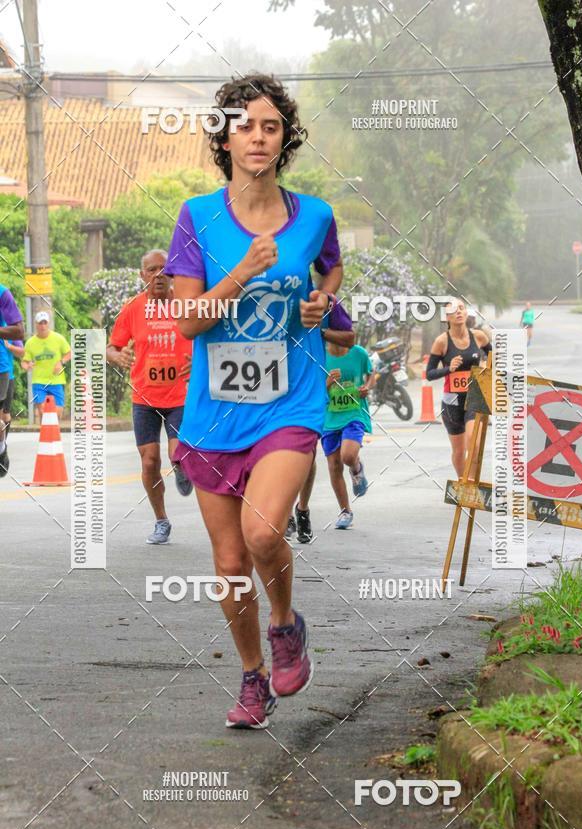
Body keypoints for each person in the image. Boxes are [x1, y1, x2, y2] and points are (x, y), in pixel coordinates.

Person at [166, 73, 343, 729]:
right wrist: (241, 272)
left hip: (288, 402)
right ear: (226, 138)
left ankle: (285, 624)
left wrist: (321, 301)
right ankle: (252, 677)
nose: (259, 137)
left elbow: (330, 268)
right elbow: (186, 321)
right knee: (230, 561)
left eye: (271, 126)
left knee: (265, 530)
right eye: (246, 126)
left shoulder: (316, 215)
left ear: (285, 137)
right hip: (214, 413)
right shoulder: (198, 217)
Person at [107, 249, 193, 545]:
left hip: (180, 395)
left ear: (172, 273)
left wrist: (202, 360)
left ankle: (184, 467)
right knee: (149, 462)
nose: (158, 275)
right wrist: (116, 357)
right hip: (144, 397)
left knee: (176, 453)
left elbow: (210, 338)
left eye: (163, 269)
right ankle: (161, 520)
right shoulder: (132, 308)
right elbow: (112, 347)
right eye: (151, 270)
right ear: (142, 275)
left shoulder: (187, 304)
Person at [285, 300, 355, 543]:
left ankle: (301, 510)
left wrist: (320, 331)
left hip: (309, 389)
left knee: (306, 455)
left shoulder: (325, 301)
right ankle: (281, 512)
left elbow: (349, 338)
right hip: (273, 385)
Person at [426, 298, 492, 477]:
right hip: (452, 402)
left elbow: (494, 356)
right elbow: (429, 374)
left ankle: (471, 481)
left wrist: (487, 368)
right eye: (454, 310)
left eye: (462, 308)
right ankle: (463, 482)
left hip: (474, 397)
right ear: (446, 317)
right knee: (459, 451)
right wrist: (449, 369)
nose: (459, 312)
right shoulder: (442, 341)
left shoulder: (478, 336)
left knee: (475, 442)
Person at [321, 340, 375, 529]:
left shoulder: (358, 353)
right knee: (334, 466)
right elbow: (312, 389)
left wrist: (366, 387)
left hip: (354, 413)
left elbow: (371, 375)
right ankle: (345, 511)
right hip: (329, 417)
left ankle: (356, 468)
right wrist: (327, 383)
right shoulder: (320, 354)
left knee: (348, 456)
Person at [21, 311, 71, 422]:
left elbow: (69, 353)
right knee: (43, 411)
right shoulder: (30, 342)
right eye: (40, 323)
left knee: (57, 413)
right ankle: (44, 437)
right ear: (36, 325)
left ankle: (54, 436)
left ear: (48, 324)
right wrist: (27, 365)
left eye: (45, 323)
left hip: (56, 380)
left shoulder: (58, 338)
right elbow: (24, 362)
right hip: (39, 381)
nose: (43, 326)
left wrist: (61, 362)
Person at [0, 336, 24, 476]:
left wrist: (10, 347)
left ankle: (3, 447)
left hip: (6, 377)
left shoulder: (9, 327)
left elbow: (22, 352)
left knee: (4, 416)